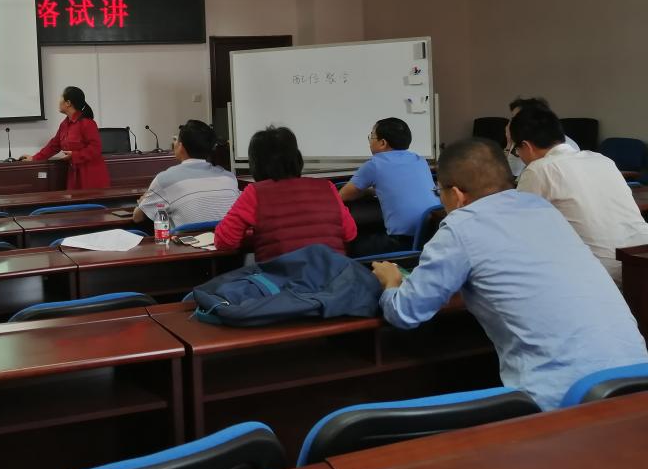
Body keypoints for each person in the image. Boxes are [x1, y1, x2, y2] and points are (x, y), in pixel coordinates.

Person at [371, 138, 647, 410]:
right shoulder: (544, 209)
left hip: (567, 401)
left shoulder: (461, 227)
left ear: (456, 195)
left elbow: (406, 313)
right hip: (636, 380)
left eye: (438, 191)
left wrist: (391, 282)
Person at [510, 105, 648, 282]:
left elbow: (520, 233)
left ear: (526, 146)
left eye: (516, 150)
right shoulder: (602, 159)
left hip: (604, 274)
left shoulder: (539, 170)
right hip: (642, 259)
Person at [215, 126, 356, 262]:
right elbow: (350, 233)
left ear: (256, 164)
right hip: (333, 275)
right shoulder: (327, 187)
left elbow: (224, 241)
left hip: (282, 277)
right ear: (297, 158)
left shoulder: (255, 193)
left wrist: (261, 235)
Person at [340, 118, 436, 256]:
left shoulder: (375, 164)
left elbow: (343, 196)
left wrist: (366, 192)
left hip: (403, 243)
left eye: (372, 136)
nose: (370, 140)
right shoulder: (420, 160)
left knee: (351, 246)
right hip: (432, 235)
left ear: (383, 143)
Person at [134, 119, 239, 228]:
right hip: (225, 238)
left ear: (181, 146)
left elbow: (137, 217)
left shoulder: (165, 179)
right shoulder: (229, 178)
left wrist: (142, 202)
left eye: (176, 139)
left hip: (187, 239)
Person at [22, 86, 110, 189]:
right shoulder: (64, 124)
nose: (59, 101)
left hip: (90, 175)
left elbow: (95, 148)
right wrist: (34, 158)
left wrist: (75, 155)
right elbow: (54, 145)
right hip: (74, 174)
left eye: (61, 98)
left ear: (68, 103)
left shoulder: (87, 123)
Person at [504, 96, 579, 177]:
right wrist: (509, 142)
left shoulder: (536, 143)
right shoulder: (528, 139)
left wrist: (511, 141)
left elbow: (512, 172)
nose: (511, 123)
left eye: (517, 118)